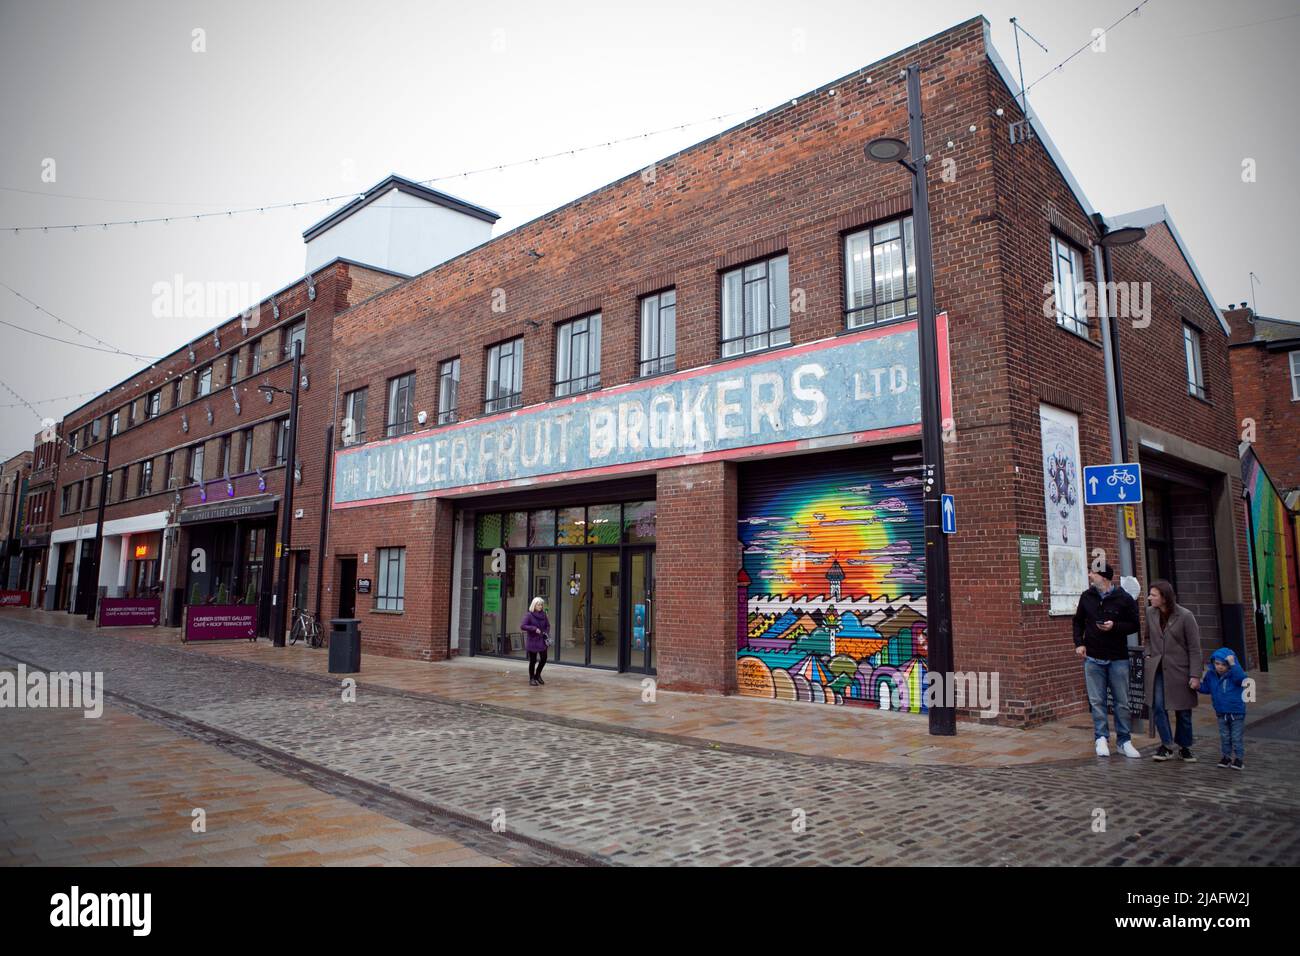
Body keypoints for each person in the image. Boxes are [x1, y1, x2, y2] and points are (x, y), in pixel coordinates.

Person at [1073, 564, 1141, 757]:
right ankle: (1100, 738)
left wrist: (1115, 626)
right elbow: (1077, 621)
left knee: (1122, 702)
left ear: (1103, 577)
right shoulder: (1087, 596)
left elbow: (1134, 624)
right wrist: (1079, 643)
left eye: (1093, 573)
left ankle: (1124, 741)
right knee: (1097, 701)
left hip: (1117, 657)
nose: (1089, 575)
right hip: (1093, 657)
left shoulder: (1123, 598)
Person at [1143, 579, 1202, 762]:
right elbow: (1147, 638)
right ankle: (1166, 744)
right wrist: (1148, 654)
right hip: (1157, 669)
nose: (1149, 598)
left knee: (1183, 709)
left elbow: (1194, 647)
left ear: (1164, 597)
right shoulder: (1150, 613)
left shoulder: (1185, 616)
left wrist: (1195, 674)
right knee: (1158, 706)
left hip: (1179, 669)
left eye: (1153, 595)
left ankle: (1185, 746)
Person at [1199, 647, 1248, 770]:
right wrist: (1197, 686)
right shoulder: (1211, 675)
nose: (1220, 667)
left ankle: (1238, 759)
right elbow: (1206, 688)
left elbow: (1242, 679)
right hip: (1221, 713)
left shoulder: (1234, 674)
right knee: (1225, 736)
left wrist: (1233, 664)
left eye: (1224, 664)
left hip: (1236, 712)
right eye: (1217, 664)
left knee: (1236, 737)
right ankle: (1226, 757)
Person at [520, 596, 551, 686]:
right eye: (538, 605)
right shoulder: (529, 615)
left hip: (542, 640)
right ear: (534, 605)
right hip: (532, 640)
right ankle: (531, 679)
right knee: (533, 661)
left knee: (544, 659)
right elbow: (523, 626)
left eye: (541, 605)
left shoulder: (544, 615)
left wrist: (545, 632)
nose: (540, 606)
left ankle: (537, 675)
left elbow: (548, 625)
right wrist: (534, 628)